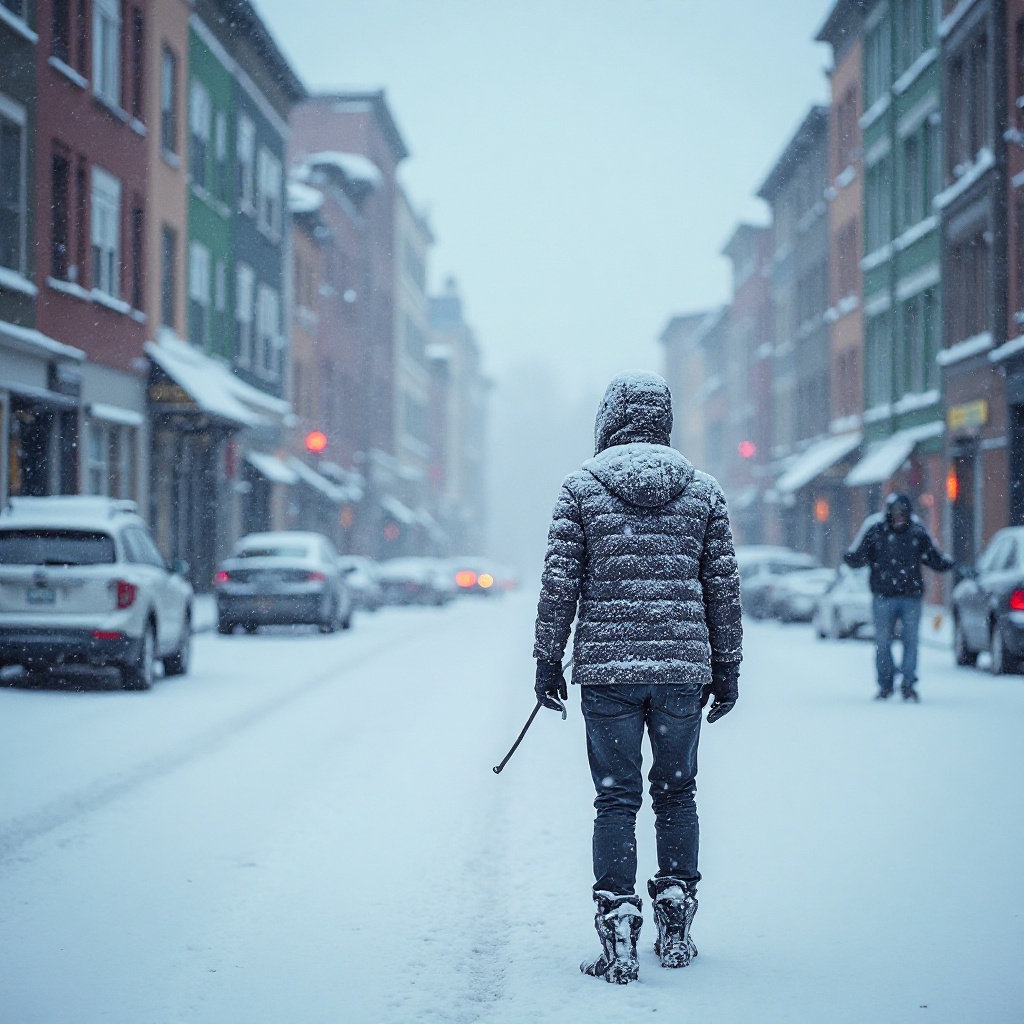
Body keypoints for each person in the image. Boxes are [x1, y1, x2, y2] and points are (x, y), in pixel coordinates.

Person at [533, 371, 743, 985]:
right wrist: (727, 667)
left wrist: (548, 661)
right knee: (677, 793)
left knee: (616, 798)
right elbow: (722, 591)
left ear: (609, 420)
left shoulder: (581, 490)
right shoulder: (702, 493)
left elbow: (558, 587)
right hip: (682, 673)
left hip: (608, 672)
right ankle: (676, 920)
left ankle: (618, 927)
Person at [844, 492, 953, 702]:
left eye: (903, 513)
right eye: (896, 513)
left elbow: (933, 557)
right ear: (889, 514)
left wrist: (948, 564)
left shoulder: (917, 532)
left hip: (910, 597)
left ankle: (908, 684)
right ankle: (886, 684)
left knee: (910, 642)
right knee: (883, 643)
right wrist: (850, 558)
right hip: (883, 597)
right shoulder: (875, 531)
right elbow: (859, 556)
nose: (899, 517)